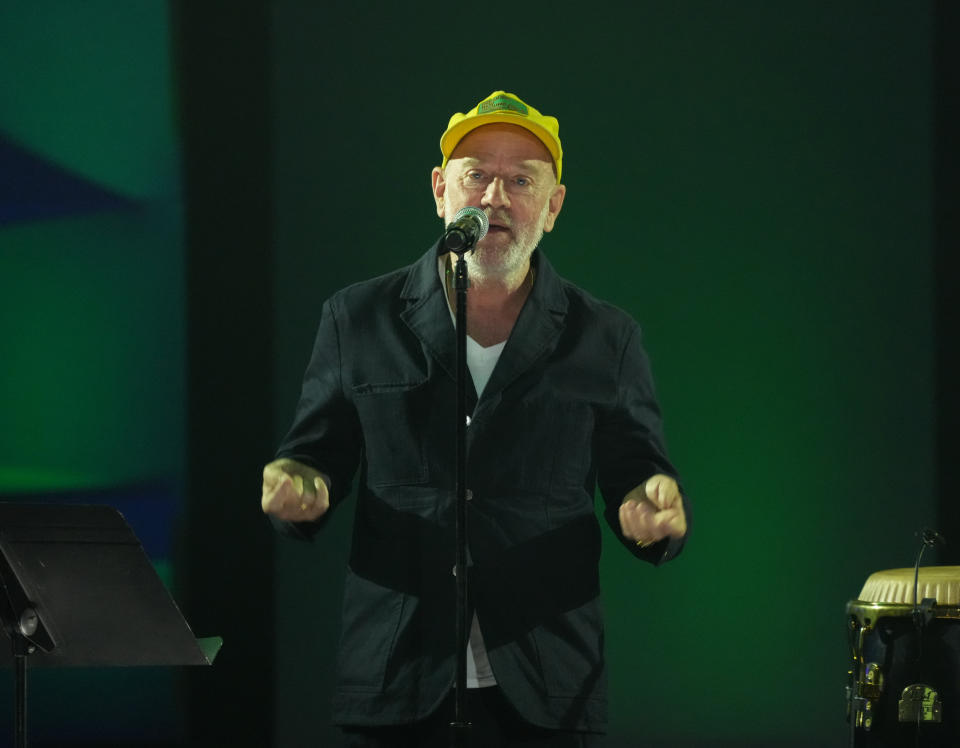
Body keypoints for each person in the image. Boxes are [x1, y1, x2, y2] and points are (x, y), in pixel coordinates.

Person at [261, 90, 690, 747]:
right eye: (477, 176)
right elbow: (314, 457)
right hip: (398, 674)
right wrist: (298, 486)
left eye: (521, 181)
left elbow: (637, 474)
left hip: (548, 682)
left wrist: (650, 507)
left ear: (553, 206)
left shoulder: (606, 336)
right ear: (440, 190)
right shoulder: (360, 317)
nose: (494, 198)